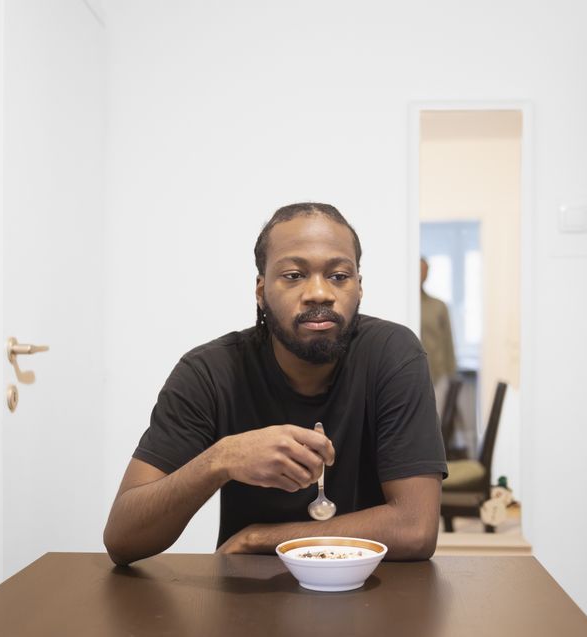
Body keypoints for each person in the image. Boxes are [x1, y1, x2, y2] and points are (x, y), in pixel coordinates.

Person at [103, 203, 448, 565]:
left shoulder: (393, 355)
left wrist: (259, 539)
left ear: (359, 288)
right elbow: (123, 539)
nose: (319, 293)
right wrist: (221, 459)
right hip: (247, 592)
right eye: (294, 275)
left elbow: (415, 529)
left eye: (339, 276)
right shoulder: (210, 373)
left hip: (372, 588)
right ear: (261, 289)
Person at [419, 257, 457, 404]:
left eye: (425, 270)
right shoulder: (406, 305)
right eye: (419, 270)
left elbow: (448, 341)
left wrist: (451, 374)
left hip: (437, 375)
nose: (422, 274)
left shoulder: (438, 306)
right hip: (412, 374)